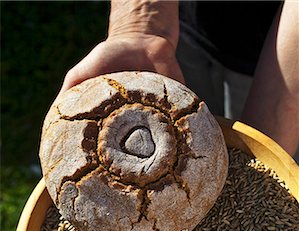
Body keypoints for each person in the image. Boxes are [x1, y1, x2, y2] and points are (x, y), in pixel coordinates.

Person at [59, 0, 299, 158]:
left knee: (257, 144)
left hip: (284, 56)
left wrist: (273, 125)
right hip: (179, 28)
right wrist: (141, 27)